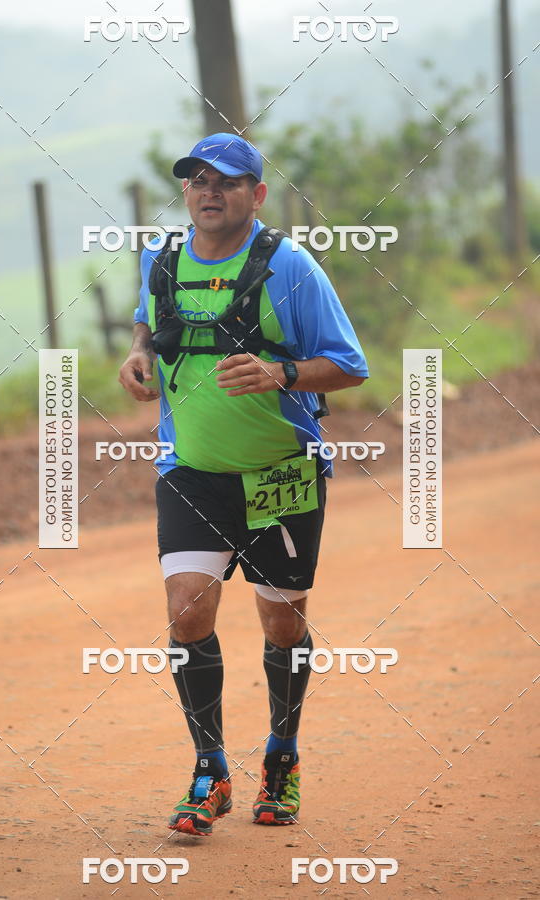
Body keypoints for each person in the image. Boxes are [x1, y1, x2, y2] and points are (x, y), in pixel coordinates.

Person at [119, 133, 368, 836]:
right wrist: (138, 356)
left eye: (226, 181)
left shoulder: (291, 269)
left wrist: (281, 372)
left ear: (256, 195)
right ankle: (210, 770)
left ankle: (281, 758)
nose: (208, 191)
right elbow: (148, 320)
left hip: (281, 475)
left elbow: (349, 365)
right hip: (190, 471)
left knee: (281, 620)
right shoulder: (161, 259)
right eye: (197, 180)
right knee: (186, 609)